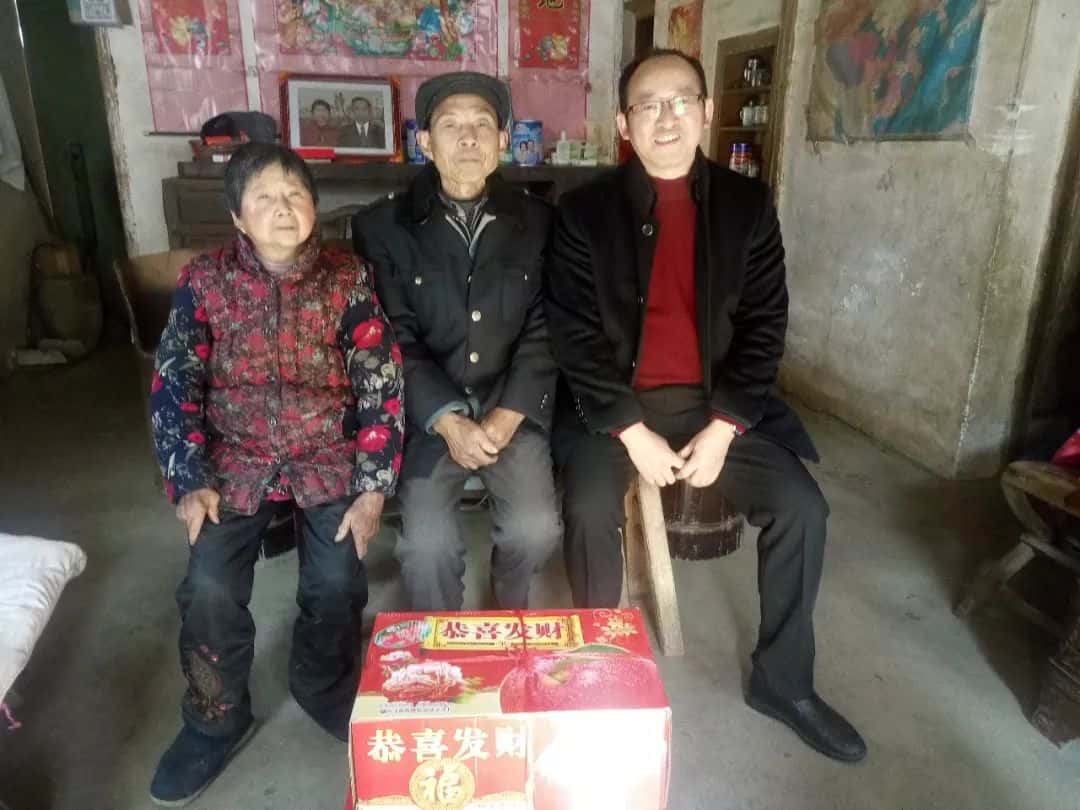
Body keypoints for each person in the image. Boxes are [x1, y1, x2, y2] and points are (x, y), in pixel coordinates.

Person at [545, 49, 867, 763]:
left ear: (708, 111)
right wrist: (630, 430)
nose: (666, 117)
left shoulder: (747, 206)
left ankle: (784, 684)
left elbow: (764, 326)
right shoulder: (582, 213)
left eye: (681, 100)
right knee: (590, 506)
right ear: (623, 123)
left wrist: (726, 427)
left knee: (803, 508)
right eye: (648, 104)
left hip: (716, 405)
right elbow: (573, 335)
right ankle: (596, 675)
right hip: (614, 406)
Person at [148, 142, 404, 805]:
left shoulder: (347, 277)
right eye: (263, 197)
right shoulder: (205, 281)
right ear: (237, 215)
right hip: (233, 462)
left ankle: (323, 687)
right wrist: (188, 480)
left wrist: (373, 489)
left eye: (294, 194)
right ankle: (213, 719)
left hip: (326, 456)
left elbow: (379, 383)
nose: (282, 208)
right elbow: (175, 384)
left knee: (336, 580)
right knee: (208, 586)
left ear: (314, 207)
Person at [353, 71, 560, 612]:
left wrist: (508, 415)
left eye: (482, 125)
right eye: (451, 126)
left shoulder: (541, 222)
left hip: (510, 408)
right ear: (424, 142)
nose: (468, 138)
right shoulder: (383, 227)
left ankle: (507, 614)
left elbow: (546, 326)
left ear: (503, 139)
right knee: (426, 549)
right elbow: (391, 334)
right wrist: (447, 420)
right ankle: (444, 641)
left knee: (536, 530)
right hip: (429, 417)